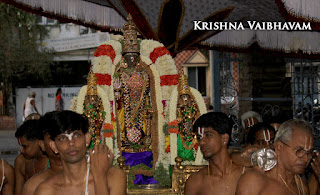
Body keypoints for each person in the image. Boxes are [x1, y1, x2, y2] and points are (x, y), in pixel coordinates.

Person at [34, 110, 126, 195]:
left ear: (87, 139)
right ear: (54, 146)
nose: (71, 143)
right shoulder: (46, 190)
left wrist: (99, 177)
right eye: (62, 138)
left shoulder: (113, 177)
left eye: (77, 135)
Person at [236, 119, 314, 195]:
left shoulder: (301, 186)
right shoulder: (255, 180)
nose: (306, 158)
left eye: (309, 153)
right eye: (299, 151)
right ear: (279, 147)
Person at [184, 112, 244, 195]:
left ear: (224, 138)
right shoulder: (195, 181)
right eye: (199, 138)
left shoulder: (244, 174)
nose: (202, 142)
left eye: (208, 135)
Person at [21, 111, 63, 195]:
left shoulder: (92, 176)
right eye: (54, 137)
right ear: (42, 145)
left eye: (76, 135)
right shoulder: (33, 187)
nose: (69, 142)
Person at [14, 120, 48, 195]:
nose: (21, 150)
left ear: (38, 142)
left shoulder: (54, 162)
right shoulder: (21, 161)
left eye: (25, 146)